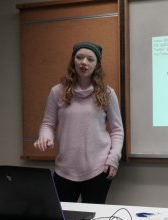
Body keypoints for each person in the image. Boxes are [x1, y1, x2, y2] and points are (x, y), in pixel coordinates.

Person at [34, 41, 124, 204]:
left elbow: (117, 130)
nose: (84, 62)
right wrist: (45, 137)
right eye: (79, 57)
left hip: (98, 169)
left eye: (90, 59)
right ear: (73, 61)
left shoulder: (107, 93)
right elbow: (48, 124)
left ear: (97, 65)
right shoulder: (57, 92)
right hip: (64, 170)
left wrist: (114, 158)